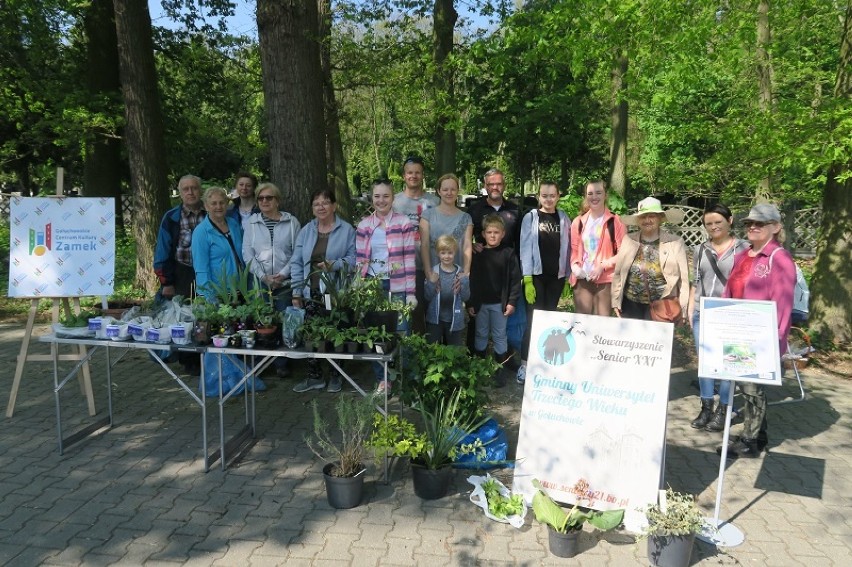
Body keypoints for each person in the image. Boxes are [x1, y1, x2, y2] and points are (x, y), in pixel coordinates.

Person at [719, 203, 795, 459]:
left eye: (759, 223)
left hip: (759, 336)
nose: (752, 227)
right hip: (737, 332)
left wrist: (776, 342)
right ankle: (758, 435)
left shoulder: (779, 259)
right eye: (750, 223)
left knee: (751, 387)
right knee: (744, 384)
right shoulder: (744, 255)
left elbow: (783, 305)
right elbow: (729, 291)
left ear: (775, 227)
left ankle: (750, 441)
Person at [687, 204, 749, 431]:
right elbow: (697, 280)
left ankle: (724, 409)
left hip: (730, 314)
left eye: (718, 222)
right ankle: (706, 407)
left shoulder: (743, 249)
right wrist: (690, 307)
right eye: (709, 223)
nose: (713, 227)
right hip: (703, 313)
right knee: (705, 363)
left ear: (730, 221)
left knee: (726, 364)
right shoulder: (700, 249)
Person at [290, 189, 357, 393]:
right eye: (316, 203)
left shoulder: (346, 230)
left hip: (336, 294)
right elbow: (297, 262)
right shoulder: (306, 230)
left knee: (337, 335)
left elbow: (354, 260)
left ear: (334, 206)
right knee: (312, 336)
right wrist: (296, 291)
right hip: (312, 293)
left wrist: (334, 265)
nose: (321, 207)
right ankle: (314, 377)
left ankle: (336, 376)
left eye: (326, 202)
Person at [357, 179, 418, 393]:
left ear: (393, 198)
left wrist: (411, 292)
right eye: (377, 196)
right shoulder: (364, 226)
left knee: (403, 332)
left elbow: (410, 259)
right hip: (373, 286)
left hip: (399, 286)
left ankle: (409, 378)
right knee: (376, 334)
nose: (381, 200)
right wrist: (359, 289)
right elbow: (360, 262)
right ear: (371, 198)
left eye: (385, 196)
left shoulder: (403, 223)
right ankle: (383, 379)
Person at [242, 183, 301, 377]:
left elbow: (297, 253)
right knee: (262, 322)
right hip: (260, 282)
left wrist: (283, 274)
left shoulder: (291, 222)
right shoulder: (251, 222)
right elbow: (247, 253)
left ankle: (282, 363)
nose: (265, 201)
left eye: (269, 198)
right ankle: (262, 362)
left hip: (284, 282)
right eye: (261, 198)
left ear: (278, 200)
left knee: (283, 321)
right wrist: (263, 276)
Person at [518, 181, 571, 384]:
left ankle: (544, 364)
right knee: (533, 321)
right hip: (536, 279)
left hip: (555, 278)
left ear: (558, 196)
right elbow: (524, 248)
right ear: (539, 197)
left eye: (552, 195)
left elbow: (569, 248)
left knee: (550, 323)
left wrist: (566, 275)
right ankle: (525, 365)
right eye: (544, 196)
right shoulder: (531, 217)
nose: (548, 199)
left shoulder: (564, 218)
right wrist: (528, 278)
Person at [611, 197, 689, 322]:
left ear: (660, 218)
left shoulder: (675, 242)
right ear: (638, 220)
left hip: (663, 307)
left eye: (651, 216)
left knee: (658, 341)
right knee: (632, 340)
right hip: (631, 305)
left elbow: (684, 280)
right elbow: (618, 273)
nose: (647, 220)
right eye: (643, 216)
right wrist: (616, 301)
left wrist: (684, 309)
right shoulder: (628, 239)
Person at [468, 214, 521, 387]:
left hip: (500, 305)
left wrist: (512, 301)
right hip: (481, 303)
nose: (492, 235)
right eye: (489, 232)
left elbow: (515, 280)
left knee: (499, 336)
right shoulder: (478, 254)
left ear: (503, 234)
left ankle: (499, 369)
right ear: (483, 234)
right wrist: (470, 303)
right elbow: (471, 280)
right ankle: (480, 368)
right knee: (481, 334)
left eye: (496, 232)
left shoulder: (508, 253)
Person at [392, 156, 439, 333]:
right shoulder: (394, 202)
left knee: (427, 313)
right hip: (401, 268)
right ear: (404, 175)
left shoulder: (434, 202)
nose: (414, 176)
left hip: (428, 266)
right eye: (410, 172)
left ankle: (426, 353)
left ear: (422, 175)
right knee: (405, 314)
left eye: (417, 172)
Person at [569, 179, 626, 316]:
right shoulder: (578, 222)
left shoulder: (616, 221)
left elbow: (624, 253)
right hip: (583, 281)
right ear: (586, 196)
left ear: (605, 195)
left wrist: (603, 265)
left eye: (598, 193)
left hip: (606, 282)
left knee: (601, 325)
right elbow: (574, 251)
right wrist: (575, 267)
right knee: (581, 324)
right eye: (590, 193)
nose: (594, 197)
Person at [153, 174, 205, 302]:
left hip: (209, 274)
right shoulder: (171, 218)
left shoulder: (212, 214)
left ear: (201, 191)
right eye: (186, 189)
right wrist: (167, 283)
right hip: (181, 274)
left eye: (194, 188)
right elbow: (162, 253)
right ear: (180, 193)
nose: (190, 192)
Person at [191, 187, 244, 302]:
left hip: (240, 289)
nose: (218, 207)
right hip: (218, 293)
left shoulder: (234, 224)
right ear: (206, 206)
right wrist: (209, 297)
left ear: (227, 204)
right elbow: (201, 268)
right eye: (213, 203)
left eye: (222, 203)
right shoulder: (201, 232)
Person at [420, 173, 473, 279]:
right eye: (445, 189)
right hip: (434, 275)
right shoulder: (427, 216)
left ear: (458, 191)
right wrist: (428, 273)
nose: (449, 193)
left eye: (453, 189)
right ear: (439, 191)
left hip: (457, 276)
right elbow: (424, 245)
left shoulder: (466, 218)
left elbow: (467, 246)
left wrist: (466, 273)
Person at [424, 235, 470, 347]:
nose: (446, 256)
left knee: (455, 352)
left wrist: (464, 282)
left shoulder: (460, 273)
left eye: (450, 253)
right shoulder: (433, 272)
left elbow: (466, 297)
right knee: (432, 350)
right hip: (435, 319)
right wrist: (432, 283)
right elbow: (427, 296)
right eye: (443, 253)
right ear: (437, 253)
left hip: (455, 320)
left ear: (455, 252)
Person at [468, 168, 520, 252]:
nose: (495, 187)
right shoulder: (474, 211)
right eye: (491, 184)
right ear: (485, 186)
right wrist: (471, 245)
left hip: (509, 262)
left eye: (499, 184)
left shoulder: (515, 210)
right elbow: (463, 239)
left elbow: (521, 242)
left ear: (504, 185)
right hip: (482, 262)